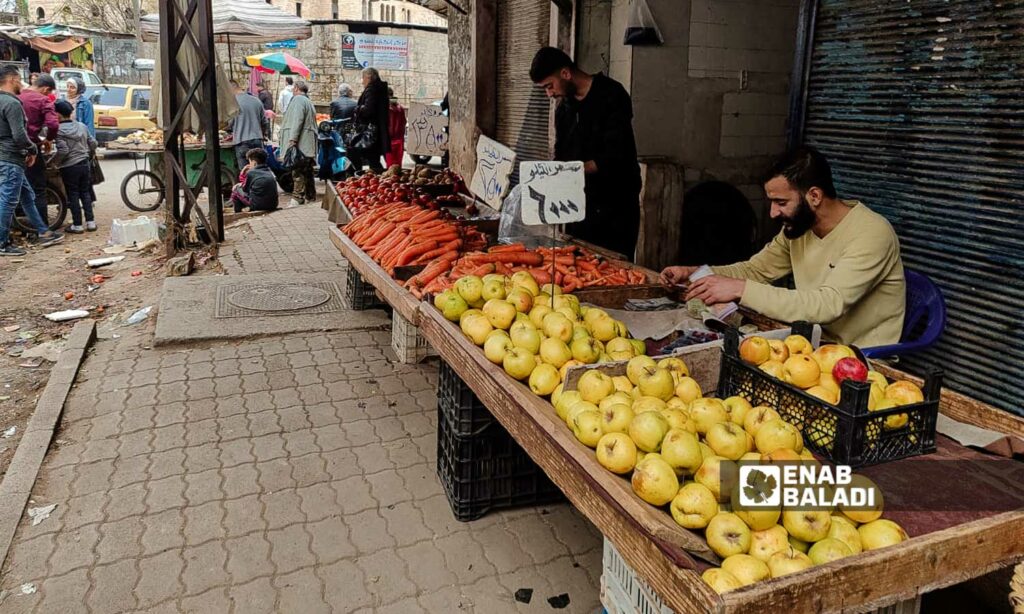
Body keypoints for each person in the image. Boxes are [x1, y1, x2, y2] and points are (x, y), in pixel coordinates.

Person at [660, 146, 906, 347]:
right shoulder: (798, 229)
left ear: (815, 196)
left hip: (860, 357)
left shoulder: (871, 233)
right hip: (807, 343)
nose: (773, 212)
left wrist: (741, 289)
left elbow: (829, 304)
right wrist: (697, 273)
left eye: (781, 202)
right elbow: (756, 270)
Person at [530, 47, 642, 260]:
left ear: (565, 73)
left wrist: (569, 170)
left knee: (613, 267)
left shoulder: (612, 95)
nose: (549, 93)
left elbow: (615, 156)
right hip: (579, 206)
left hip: (616, 204)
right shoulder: (564, 109)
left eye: (549, 86)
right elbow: (561, 154)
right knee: (578, 265)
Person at [0, 66, 63, 256]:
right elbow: (19, 135)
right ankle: (2, 242)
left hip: (7, 158)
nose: (22, 84)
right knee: (8, 201)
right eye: (19, 80)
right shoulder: (11, 103)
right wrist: (33, 149)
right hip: (11, 158)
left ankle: (44, 231)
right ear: (11, 79)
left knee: (27, 196)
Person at [19, 73, 59, 226]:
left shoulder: (16, 96)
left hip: (12, 149)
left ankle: (20, 224)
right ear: (45, 89)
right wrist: (49, 139)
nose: (49, 95)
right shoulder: (43, 100)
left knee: (16, 187)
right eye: (49, 92)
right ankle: (41, 227)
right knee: (38, 188)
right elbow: (53, 124)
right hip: (32, 148)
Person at [53, 100, 97, 233]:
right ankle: (91, 223)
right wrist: (88, 153)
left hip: (69, 167)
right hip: (84, 164)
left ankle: (77, 225)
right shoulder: (82, 126)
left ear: (58, 114)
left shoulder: (58, 130)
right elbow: (93, 142)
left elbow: (63, 150)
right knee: (85, 193)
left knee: (73, 194)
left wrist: (55, 162)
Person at [278, 80, 317, 206]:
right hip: (307, 143)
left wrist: (292, 139)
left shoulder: (298, 100)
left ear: (296, 88)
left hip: (301, 143)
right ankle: (310, 197)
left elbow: (297, 120)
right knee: (307, 171)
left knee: (297, 170)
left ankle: (297, 198)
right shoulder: (308, 101)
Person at [350, 67, 389, 173]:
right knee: (373, 158)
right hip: (377, 130)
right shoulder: (381, 88)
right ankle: (378, 178)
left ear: (369, 77)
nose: (362, 81)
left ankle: (357, 176)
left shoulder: (372, 89)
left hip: (369, 131)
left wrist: (357, 108)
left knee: (354, 152)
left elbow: (368, 110)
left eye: (363, 78)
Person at [228, 79, 270, 170]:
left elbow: (230, 124)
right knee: (259, 170)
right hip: (257, 140)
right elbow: (265, 122)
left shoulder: (233, 104)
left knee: (246, 172)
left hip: (242, 142)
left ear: (230, 89)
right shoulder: (256, 100)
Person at [230, 148, 279, 213]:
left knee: (236, 189)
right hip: (273, 204)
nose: (249, 164)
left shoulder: (251, 173)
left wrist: (242, 173)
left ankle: (238, 212)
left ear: (254, 163)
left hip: (258, 205)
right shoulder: (269, 171)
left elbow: (245, 189)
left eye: (250, 162)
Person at [385, 88, 406, 169]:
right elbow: (403, 122)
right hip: (400, 139)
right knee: (398, 165)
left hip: (390, 140)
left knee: (390, 167)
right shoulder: (400, 107)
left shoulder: (386, 108)